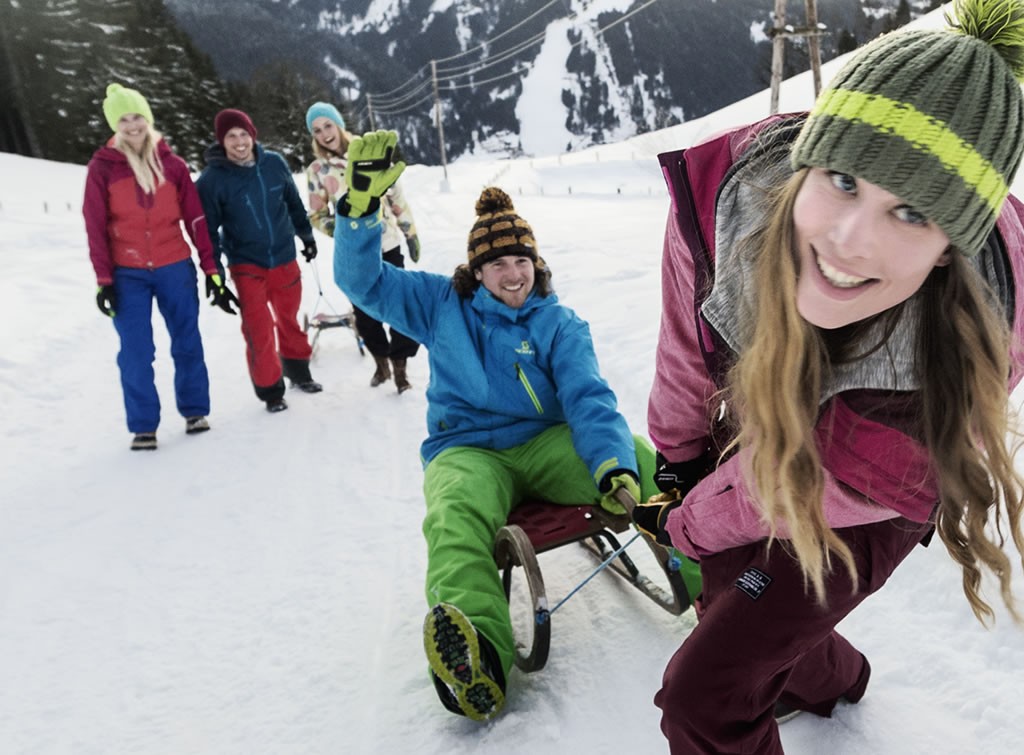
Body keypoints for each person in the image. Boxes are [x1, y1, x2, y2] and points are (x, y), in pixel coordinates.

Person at [631, 1, 1024, 751]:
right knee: (732, 604)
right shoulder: (731, 199)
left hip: (867, 505)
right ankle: (834, 676)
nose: (848, 242)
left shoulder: (942, 381)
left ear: (952, 249)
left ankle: (789, 666)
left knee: (703, 694)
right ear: (806, 159)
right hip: (758, 430)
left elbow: (778, 494)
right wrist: (679, 459)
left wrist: (685, 522)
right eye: (843, 177)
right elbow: (687, 343)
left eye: (911, 212)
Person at [333, 138, 684, 720]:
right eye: (497, 263)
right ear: (477, 270)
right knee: (454, 517)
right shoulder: (441, 304)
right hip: (466, 448)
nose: (512, 272)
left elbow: (587, 396)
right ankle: (479, 656)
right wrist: (361, 211)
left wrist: (611, 465)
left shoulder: (559, 323)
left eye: (521, 260)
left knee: (645, 463)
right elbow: (364, 283)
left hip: (546, 444)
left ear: (536, 263)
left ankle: (720, 587)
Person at [83, 83, 238, 451]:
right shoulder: (102, 168)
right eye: (123, 120)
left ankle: (195, 410)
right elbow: (95, 225)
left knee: (187, 341)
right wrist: (104, 279)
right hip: (127, 272)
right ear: (114, 126)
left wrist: (211, 270)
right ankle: (143, 425)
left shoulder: (173, 165)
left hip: (174, 266)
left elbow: (196, 220)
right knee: (136, 351)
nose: (132, 125)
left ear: (148, 118)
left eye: (137, 117)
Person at [196, 108, 323, 412]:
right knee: (258, 328)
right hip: (246, 264)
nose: (239, 142)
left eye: (244, 134)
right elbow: (207, 232)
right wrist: (213, 275)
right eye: (231, 136)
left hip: (284, 257)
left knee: (289, 319)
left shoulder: (274, 164)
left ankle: (298, 371)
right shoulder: (212, 180)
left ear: (252, 135)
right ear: (221, 141)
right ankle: (271, 390)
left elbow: (293, 203)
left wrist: (306, 236)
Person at [304, 101, 422, 393]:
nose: (324, 133)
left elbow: (396, 196)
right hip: (354, 252)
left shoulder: (369, 152)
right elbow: (317, 215)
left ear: (339, 124)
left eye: (327, 125)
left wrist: (410, 232)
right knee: (366, 316)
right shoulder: (318, 170)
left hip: (387, 242)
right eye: (316, 130)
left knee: (400, 306)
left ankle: (400, 369)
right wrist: (344, 230)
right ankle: (380, 363)